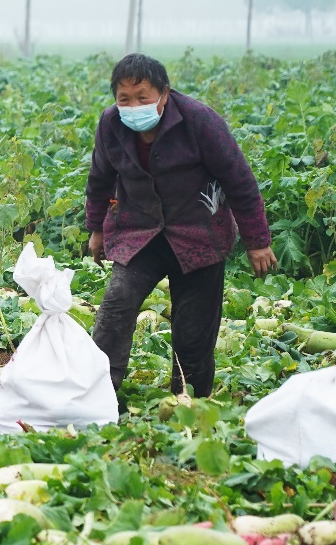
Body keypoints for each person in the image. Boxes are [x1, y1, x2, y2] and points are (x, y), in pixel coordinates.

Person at [86, 53, 277, 401]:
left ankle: (189, 403)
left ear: (164, 93)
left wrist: (257, 242)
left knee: (193, 331)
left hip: (199, 235)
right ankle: (97, 395)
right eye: (124, 99)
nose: (133, 107)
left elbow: (239, 181)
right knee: (117, 305)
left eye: (142, 97)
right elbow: (100, 178)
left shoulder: (199, 121)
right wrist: (97, 229)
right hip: (139, 234)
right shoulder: (111, 124)